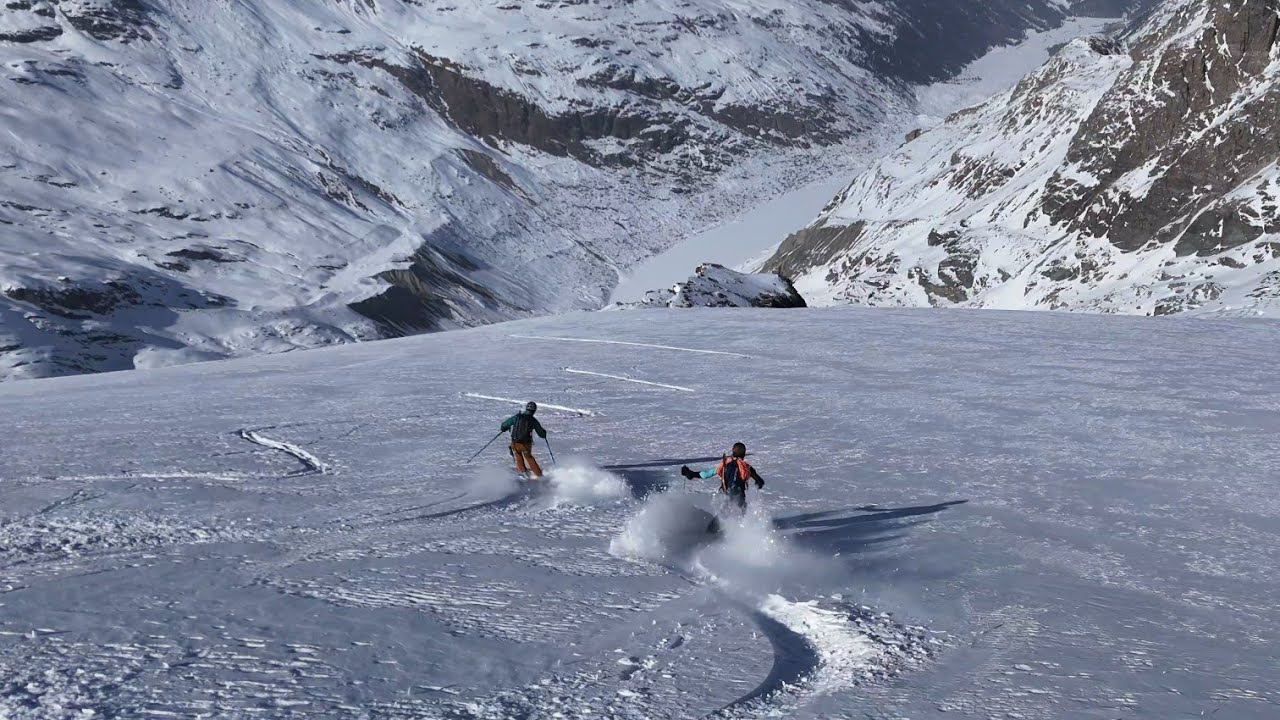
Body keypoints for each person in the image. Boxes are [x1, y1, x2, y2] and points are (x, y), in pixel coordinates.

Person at [681, 442, 764, 512]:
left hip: (727, 496)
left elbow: (705, 475)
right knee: (741, 514)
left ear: (733, 451)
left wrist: (690, 473)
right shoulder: (747, 467)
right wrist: (757, 483)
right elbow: (760, 482)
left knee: (723, 516)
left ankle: (714, 529)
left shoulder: (725, 464)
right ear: (744, 453)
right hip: (740, 498)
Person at [500, 401, 548, 479]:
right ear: (534, 410)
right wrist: (544, 434)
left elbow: (504, 425)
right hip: (525, 444)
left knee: (518, 454)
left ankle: (523, 472)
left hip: (515, 442)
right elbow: (541, 433)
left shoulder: (517, 417)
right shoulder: (533, 420)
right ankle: (539, 475)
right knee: (529, 457)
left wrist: (504, 428)